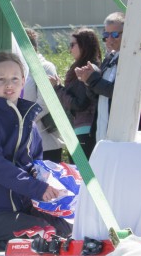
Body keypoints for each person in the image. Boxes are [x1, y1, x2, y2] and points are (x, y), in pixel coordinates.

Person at [0, 50, 71, 251]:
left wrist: (51, 182)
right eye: (1, 79)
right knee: (43, 232)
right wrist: (36, 188)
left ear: (23, 82)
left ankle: (10, 240)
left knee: (64, 228)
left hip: (22, 207)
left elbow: (35, 163)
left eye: (14, 78)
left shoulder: (29, 122)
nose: (8, 84)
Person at [75, 12, 124, 143]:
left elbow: (117, 92)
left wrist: (93, 79)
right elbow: (96, 96)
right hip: (102, 130)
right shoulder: (109, 58)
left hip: (121, 132)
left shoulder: (131, 58)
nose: (110, 39)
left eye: (115, 34)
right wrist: (87, 81)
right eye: (106, 35)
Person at [54, 27, 102, 158]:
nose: (69, 50)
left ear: (84, 45)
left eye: (72, 45)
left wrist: (57, 88)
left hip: (86, 130)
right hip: (81, 129)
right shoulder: (82, 67)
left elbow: (79, 103)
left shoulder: (87, 70)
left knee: (81, 170)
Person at [22, 28, 63, 163]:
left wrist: (21, 121)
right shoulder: (20, 68)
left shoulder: (45, 67)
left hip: (46, 143)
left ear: (32, 47)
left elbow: (45, 103)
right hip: (25, 144)